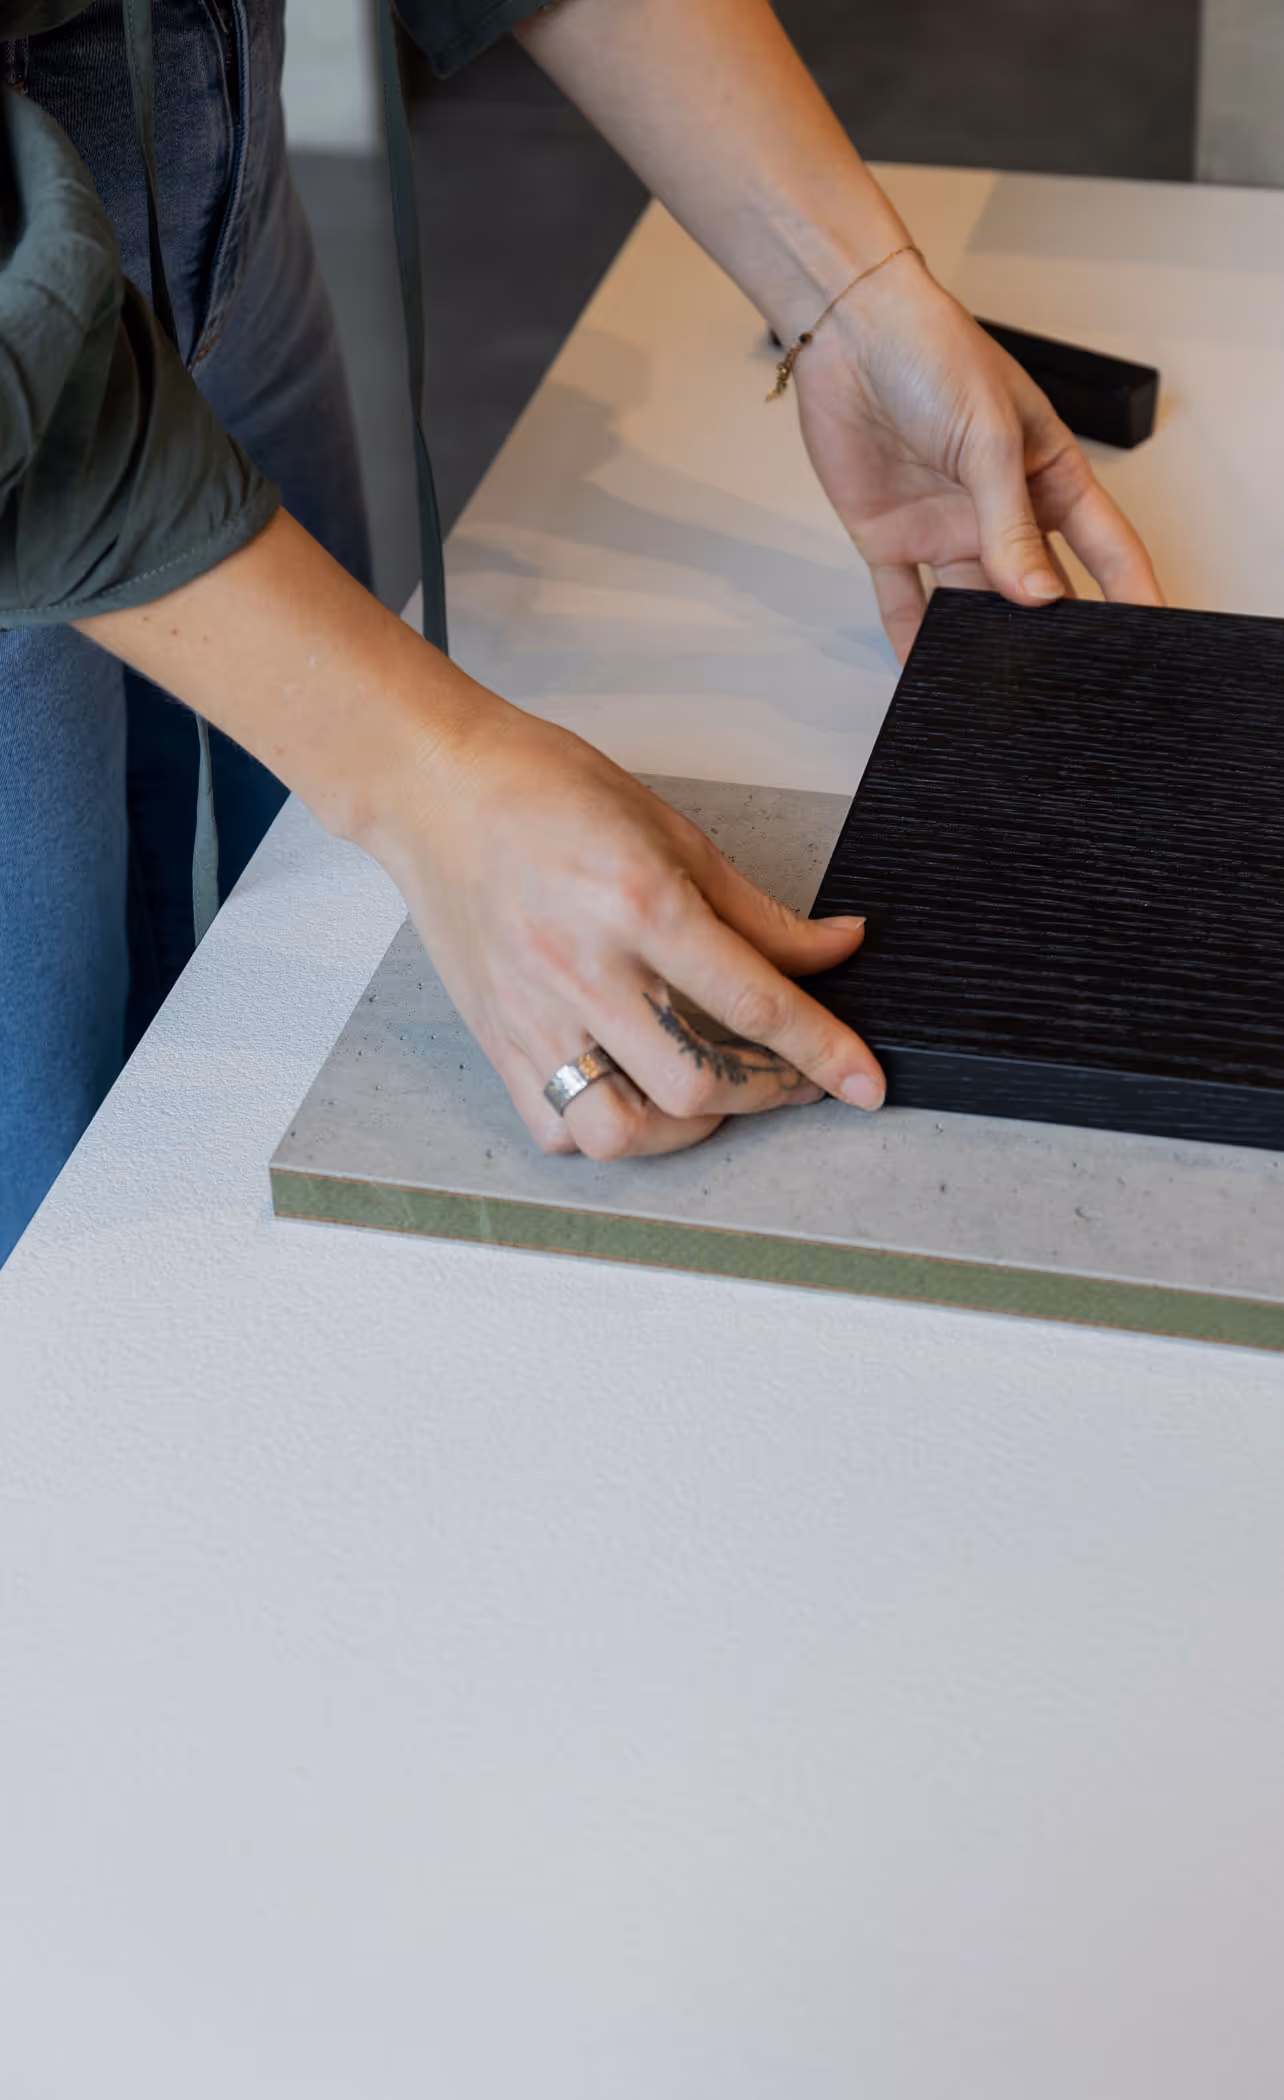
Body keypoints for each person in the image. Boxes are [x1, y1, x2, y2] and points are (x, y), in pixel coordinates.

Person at [0, 0, 1162, 1265]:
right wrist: (427, 774)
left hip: (208, 149)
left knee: (290, 936)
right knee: (64, 1202)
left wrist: (846, 292)